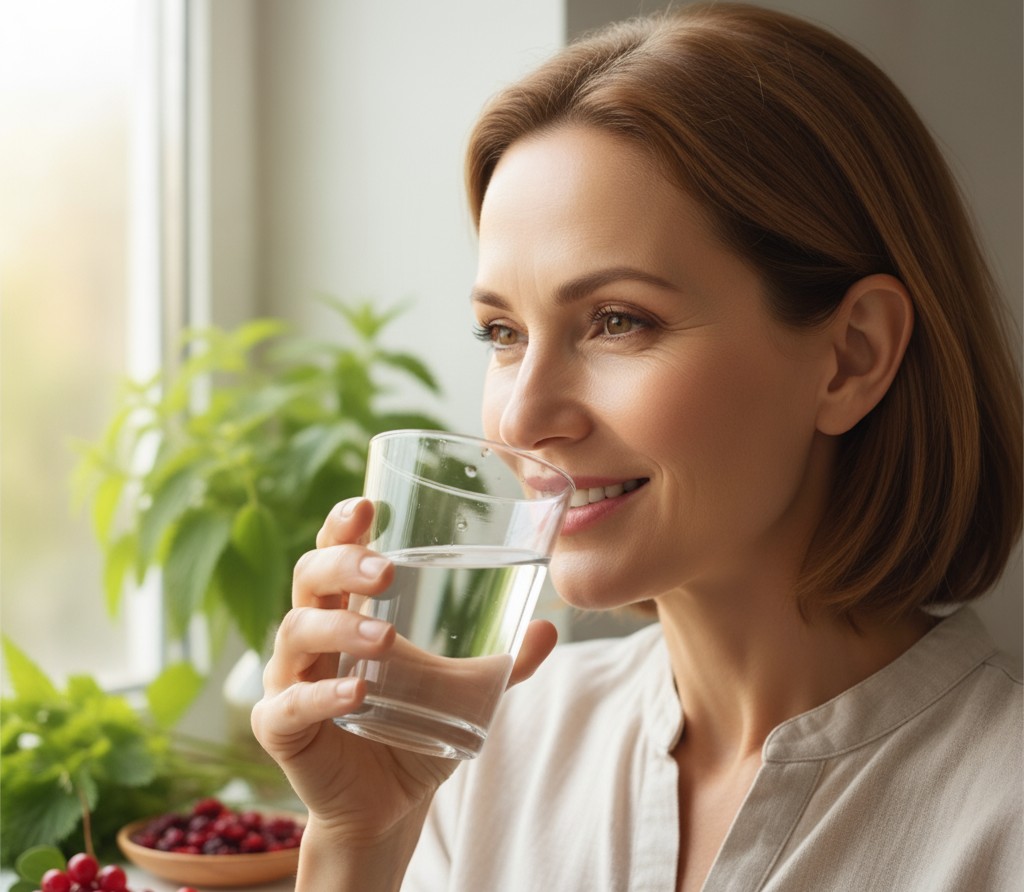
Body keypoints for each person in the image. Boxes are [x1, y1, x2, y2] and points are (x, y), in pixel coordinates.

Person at [251, 4, 1023, 890]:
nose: (523, 417)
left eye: (617, 321)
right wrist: (358, 841)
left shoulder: (1002, 819)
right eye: (501, 333)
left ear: (852, 356)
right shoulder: (486, 759)